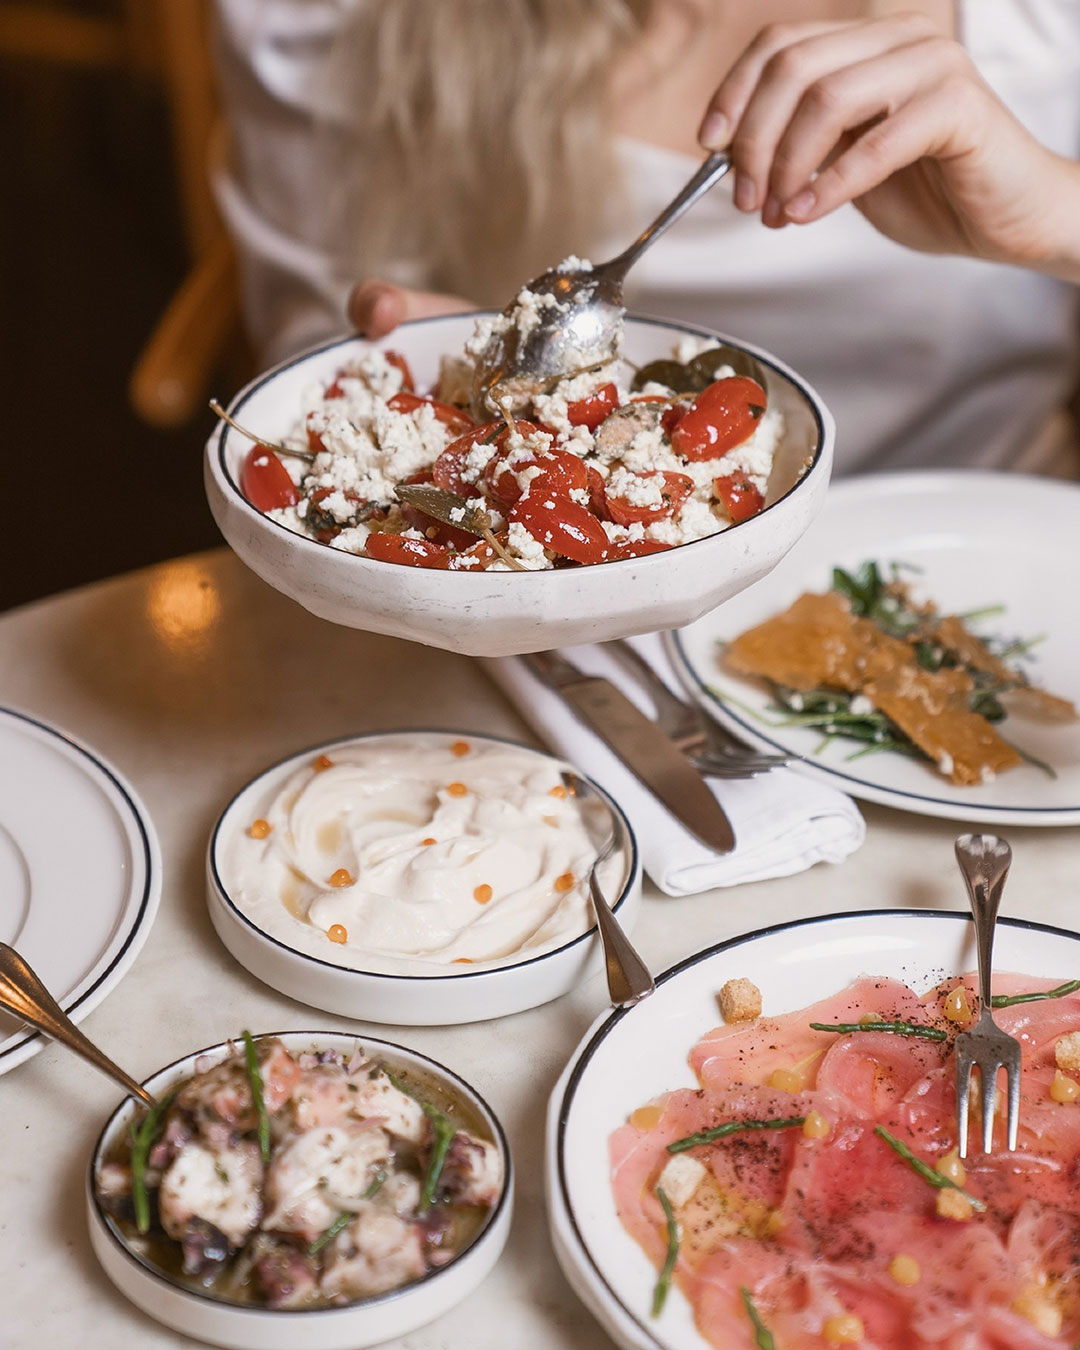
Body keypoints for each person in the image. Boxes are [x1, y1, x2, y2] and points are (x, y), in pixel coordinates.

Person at [213, 2, 1080, 476]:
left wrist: (1056, 217)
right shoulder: (323, 22)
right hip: (560, 620)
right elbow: (306, 365)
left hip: (987, 571)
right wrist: (414, 379)